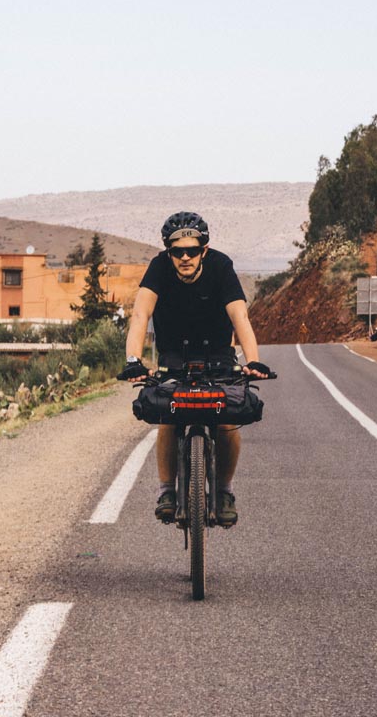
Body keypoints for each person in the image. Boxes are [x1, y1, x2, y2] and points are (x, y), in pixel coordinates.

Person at [118, 212, 271, 527]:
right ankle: (166, 492)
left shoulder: (221, 266)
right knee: (170, 414)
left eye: (192, 250)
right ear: (168, 251)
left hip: (218, 353)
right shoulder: (159, 268)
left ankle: (225, 492)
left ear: (205, 249)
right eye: (177, 251)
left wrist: (252, 360)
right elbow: (140, 314)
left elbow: (240, 316)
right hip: (174, 354)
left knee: (226, 419)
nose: (184, 257)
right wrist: (133, 360)